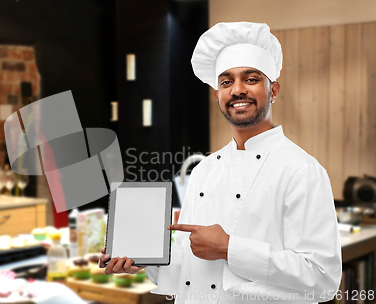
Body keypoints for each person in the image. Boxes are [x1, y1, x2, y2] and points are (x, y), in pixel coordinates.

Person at [99, 21, 342, 303]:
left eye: (251, 79)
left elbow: (323, 279)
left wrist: (230, 248)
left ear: (273, 90)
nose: (237, 90)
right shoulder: (204, 170)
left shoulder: (302, 170)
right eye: (226, 82)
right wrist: (144, 259)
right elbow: (192, 270)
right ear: (217, 95)